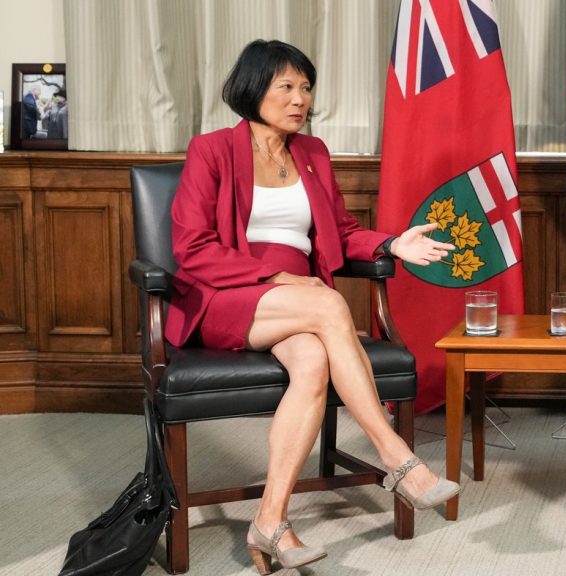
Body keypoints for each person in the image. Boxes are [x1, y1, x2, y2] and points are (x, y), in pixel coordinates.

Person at [169, 39, 460, 573]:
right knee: (328, 305)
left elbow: (339, 232)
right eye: (286, 86)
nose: (300, 98)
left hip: (294, 303)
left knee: (312, 361)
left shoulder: (313, 154)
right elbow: (190, 248)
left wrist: (392, 244)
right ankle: (397, 458)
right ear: (254, 88)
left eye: (306, 87)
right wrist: (274, 274)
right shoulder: (211, 150)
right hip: (225, 297)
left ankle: (270, 521)